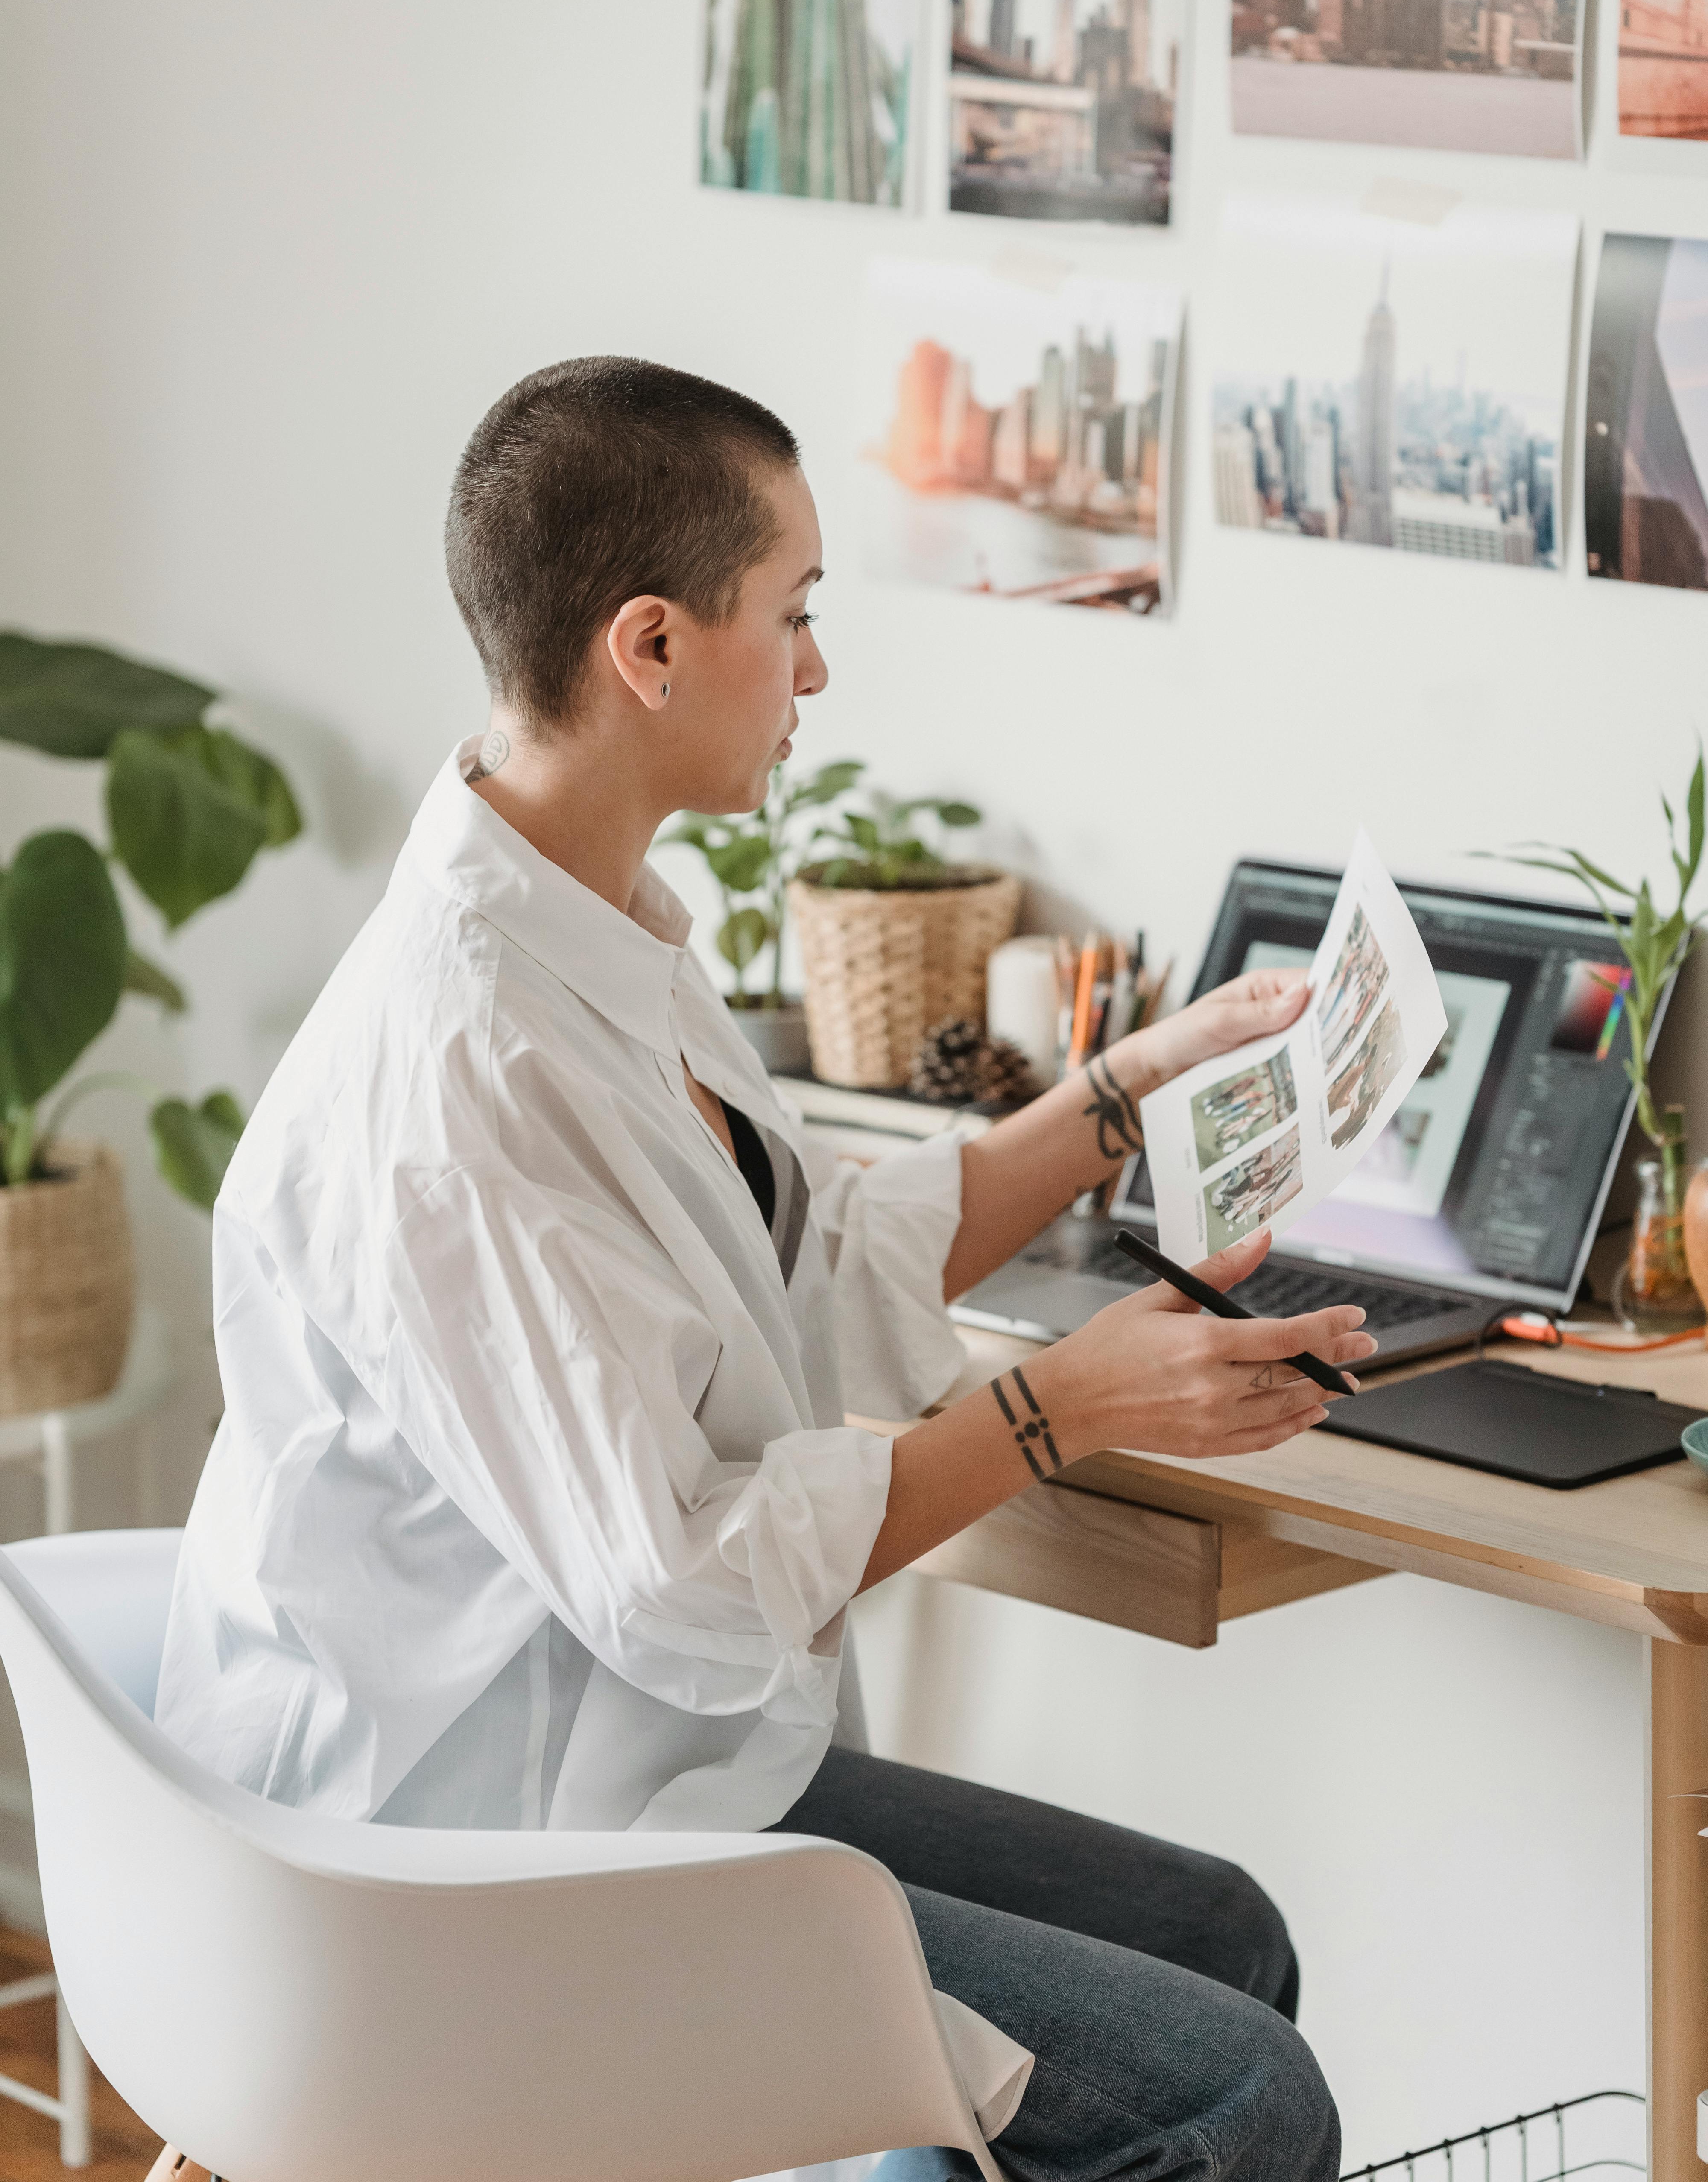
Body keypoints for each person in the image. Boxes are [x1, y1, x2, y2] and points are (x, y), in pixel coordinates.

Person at [157, 357, 1374, 2182]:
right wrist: (1051, 1409)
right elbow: (683, 1590)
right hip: (482, 1877)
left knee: (1221, 1940)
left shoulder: (604, 928)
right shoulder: (459, 1080)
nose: (816, 670)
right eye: (794, 615)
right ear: (649, 646)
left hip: (658, 1774)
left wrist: (1120, 1093)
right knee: (1234, 2102)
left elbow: (799, 1264)